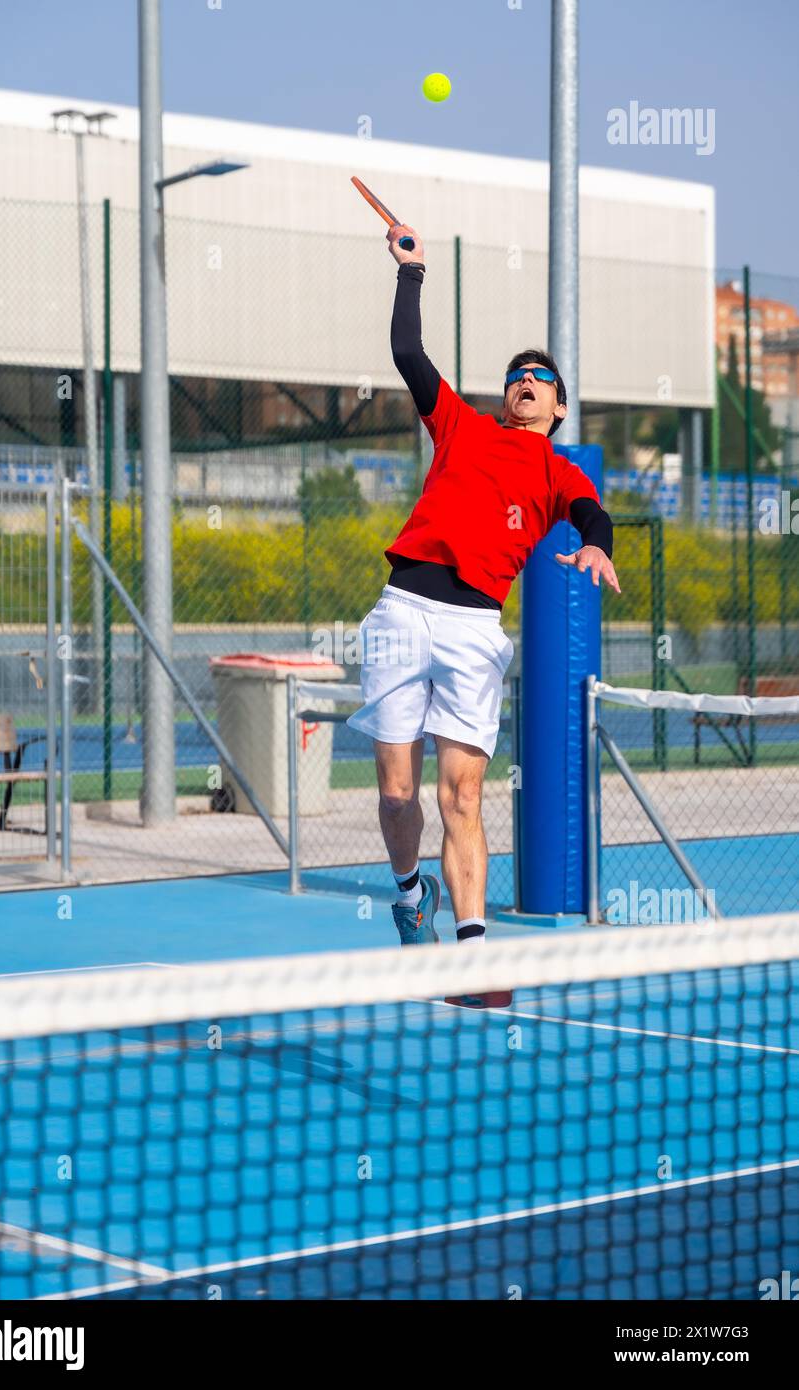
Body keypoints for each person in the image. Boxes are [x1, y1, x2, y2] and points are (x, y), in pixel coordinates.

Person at [347, 220, 621, 980]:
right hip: (403, 610)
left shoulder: (558, 471)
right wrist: (412, 272)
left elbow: (592, 514)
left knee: (461, 797)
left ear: (557, 408)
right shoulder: (461, 426)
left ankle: (473, 957)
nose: (525, 379)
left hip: (472, 628)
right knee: (397, 795)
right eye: (516, 374)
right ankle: (411, 895)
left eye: (540, 377)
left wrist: (598, 544)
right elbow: (408, 353)